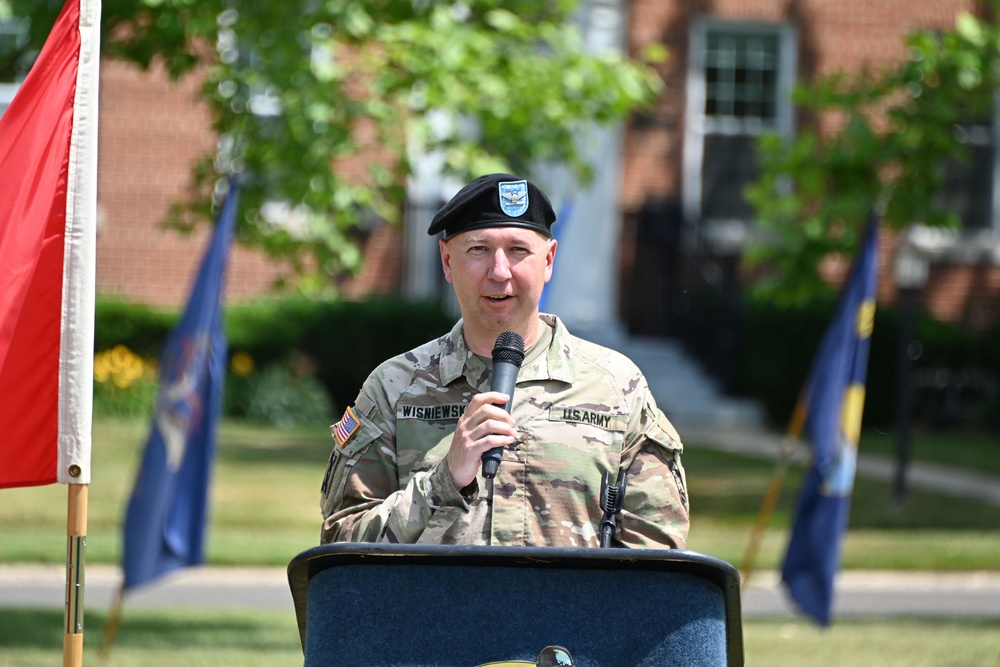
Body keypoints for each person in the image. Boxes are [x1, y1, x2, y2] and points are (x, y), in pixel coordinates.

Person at [319, 173, 689, 548]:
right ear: (448, 262)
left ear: (549, 261)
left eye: (518, 250)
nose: (499, 271)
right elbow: (342, 544)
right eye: (478, 249)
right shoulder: (395, 387)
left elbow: (658, 553)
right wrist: (443, 479)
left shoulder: (616, 387)